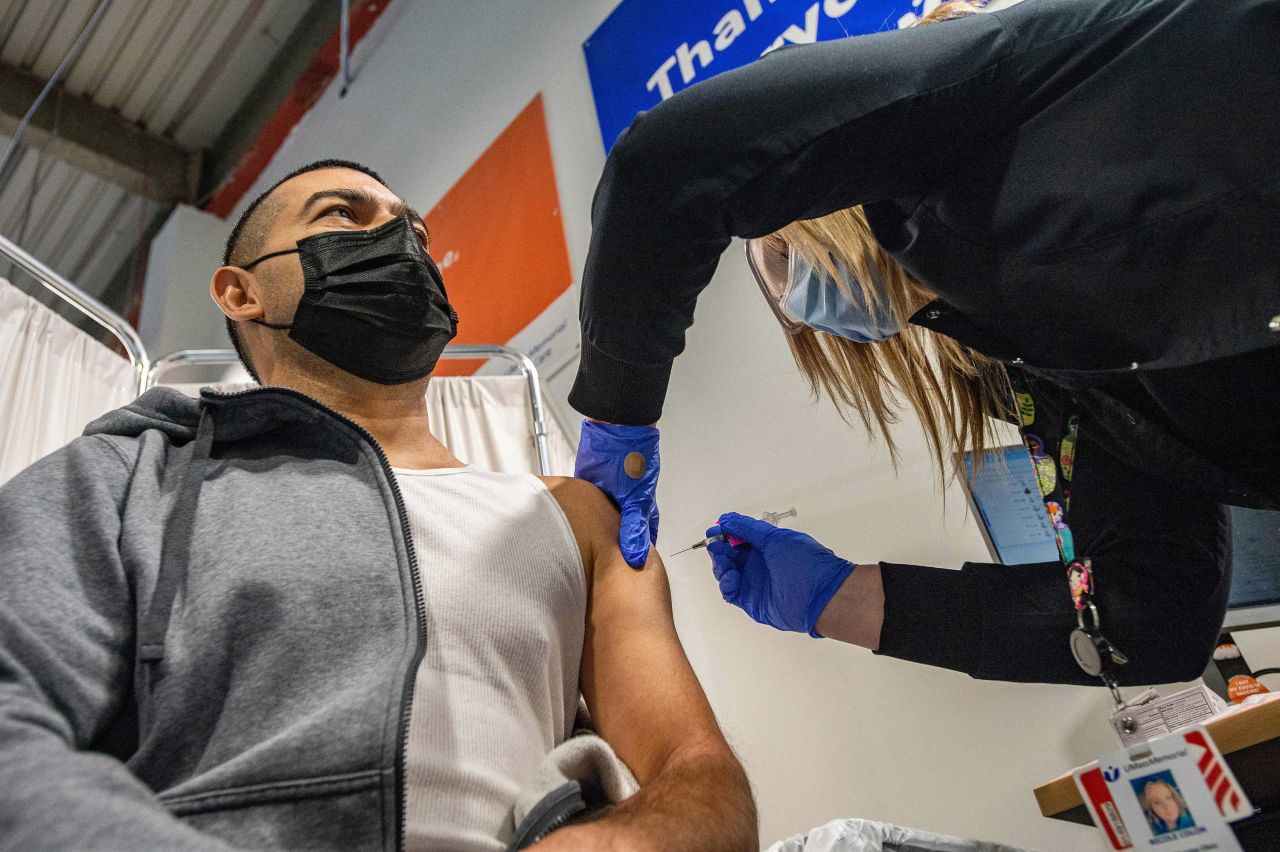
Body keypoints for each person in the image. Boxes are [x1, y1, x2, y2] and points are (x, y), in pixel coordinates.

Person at [0, 161, 757, 851]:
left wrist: (614, 844)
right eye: (343, 215)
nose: (399, 238)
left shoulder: (573, 517)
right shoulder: (127, 478)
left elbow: (699, 778)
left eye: (415, 232)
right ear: (242, 291)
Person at [569, 0, 1280, 685]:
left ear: (826, 195)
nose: (802, 310)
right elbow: (1150, 620)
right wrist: (838, 599)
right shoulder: (1040, 361)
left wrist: (617, 422)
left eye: (783, 259)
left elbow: (667, 163)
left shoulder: (996, 94)